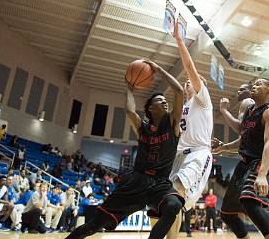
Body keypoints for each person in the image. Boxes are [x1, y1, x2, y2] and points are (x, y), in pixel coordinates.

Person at [65, 59, 184, 239]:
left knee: (174, 205)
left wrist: (159, 69)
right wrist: (130, 89)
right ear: (150, 108)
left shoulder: (172, 124)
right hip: (136, 181)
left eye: (165, 101)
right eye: (160, 101)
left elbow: (179, 91)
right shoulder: (142, 127)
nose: (165, 103)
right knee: (94, 225)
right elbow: (129, 111)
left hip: (160, 183)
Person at [212, 78, 269, 239]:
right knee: (227, 213)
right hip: (244, 164)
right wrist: (224, 146)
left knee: (250, 203)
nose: (254, 86)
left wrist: (262, 175)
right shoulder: (249, 111)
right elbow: (244, 138)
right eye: (253, 84)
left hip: (261, 161)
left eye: (258, 84)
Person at [166, 17, 214, 239]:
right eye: (187, 82)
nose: (188, 82)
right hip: (179, 155)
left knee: (176, 194)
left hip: (197, 155)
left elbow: (189, 67)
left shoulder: (201, 98)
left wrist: (179, 40)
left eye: (192, 81)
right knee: (168, 200)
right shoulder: (185, 106)